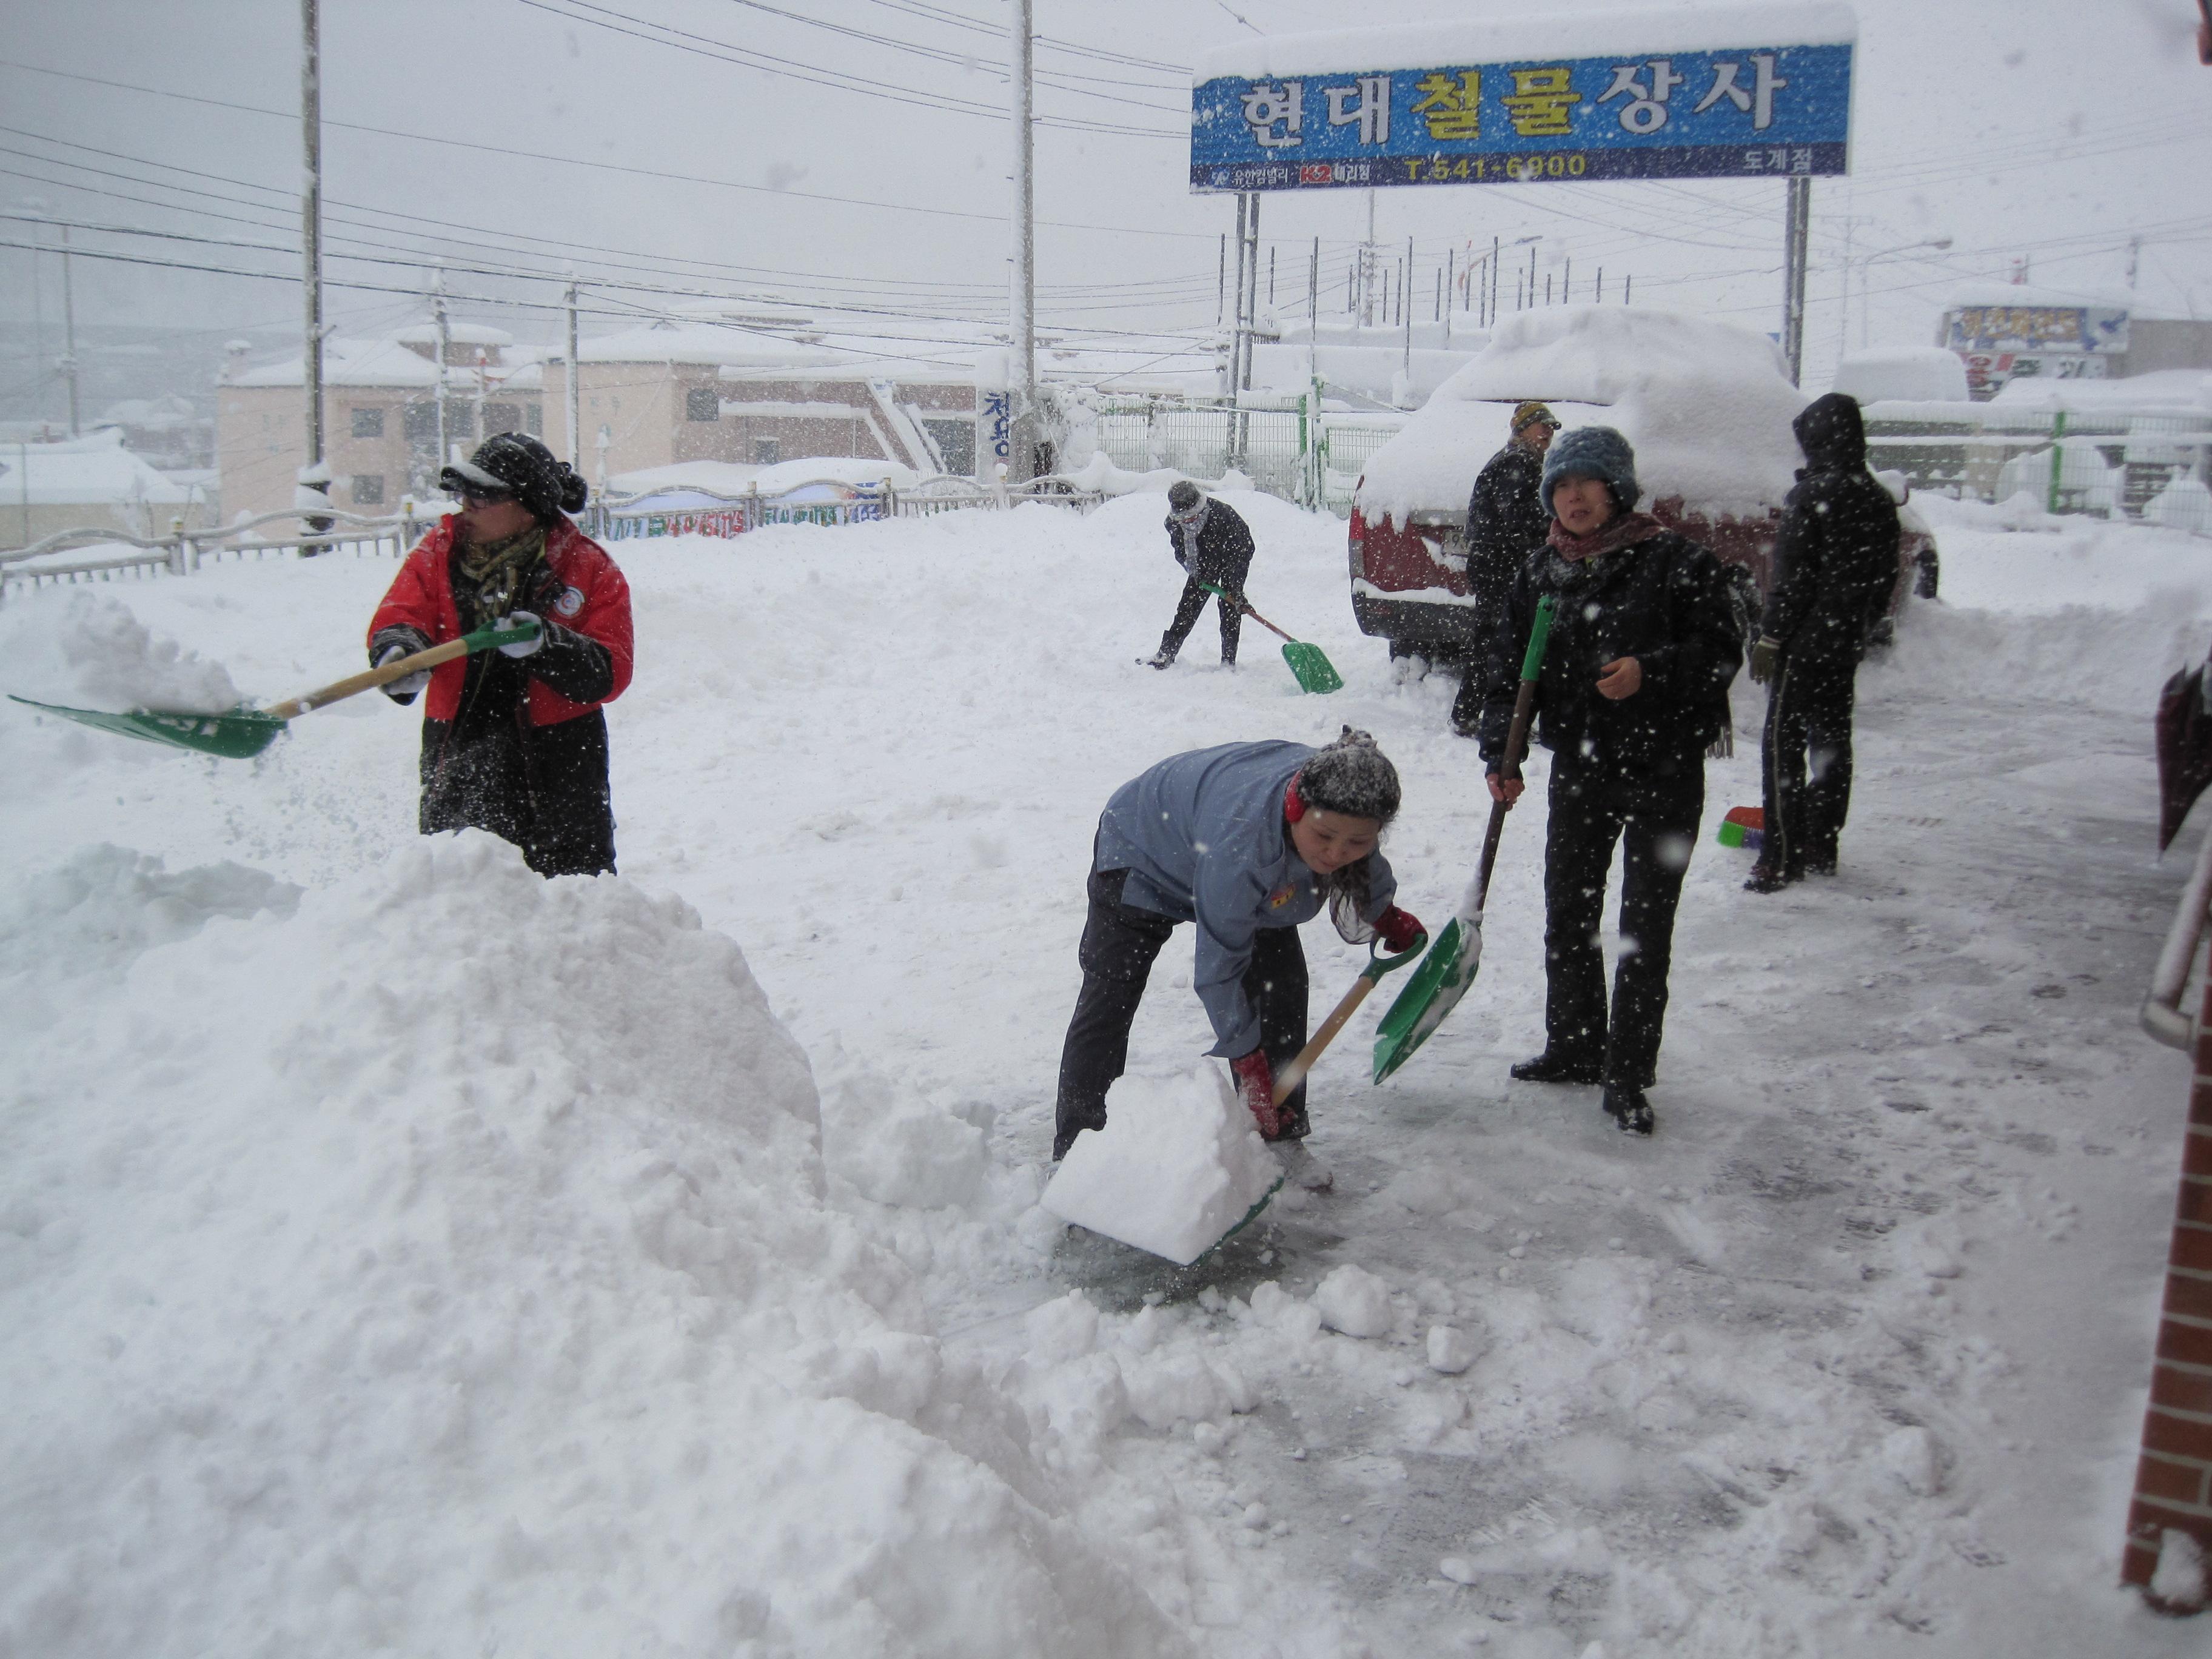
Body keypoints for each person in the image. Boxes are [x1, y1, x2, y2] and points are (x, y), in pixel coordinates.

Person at [1469, 426, 1742, 1136]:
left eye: (1586, 482)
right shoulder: (1542, 572)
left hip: (1664, 766)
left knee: (1644, 925)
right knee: (1569, 910)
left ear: (1616, 488)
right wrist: (1502, 755)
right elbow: (1506, 671)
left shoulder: (1676, 562)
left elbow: (1720, 651)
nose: (1574, 497)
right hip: (1582, 766)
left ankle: (1628, 1071)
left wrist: (1651, 671)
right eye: (1560, 485)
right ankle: (1576, 1045)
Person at [1053, 729, 1424, 1185]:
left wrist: (1382, 912)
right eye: (1325, 836)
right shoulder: (1242, 844)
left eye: (1357, 842)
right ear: (1295, 810)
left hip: (1224, 841)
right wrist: (1248, 1061)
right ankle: (1077, 1153)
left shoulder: (1348, 800)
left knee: (1281, 989)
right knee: (1110, 997)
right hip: (1144, 847)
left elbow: (1363, 863)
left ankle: (1278, 1135)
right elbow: (1219, 971)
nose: (1337, 854)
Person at [366, 432, 634, 877]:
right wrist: (399, 651)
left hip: (561, 756)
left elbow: (610, 671)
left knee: (572, 888)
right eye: (464, 493)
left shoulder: (588, 567)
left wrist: (547, 644)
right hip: (461, 744)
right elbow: (403, 613)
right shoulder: (438, 553)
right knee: (462, 880)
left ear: (528, 507)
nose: (467, 506)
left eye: (483, 496)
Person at [1744, 393, 1902, 893]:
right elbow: (1885, 580)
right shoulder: (1878, 498)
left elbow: (1792, 580)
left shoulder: (1810, 496)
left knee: (1781, 747)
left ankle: (1780, 857)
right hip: (1843, 644)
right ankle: (1821, 844)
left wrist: (1772, 637)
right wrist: (1855, 626)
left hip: (1800, 647)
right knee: (1832, 744)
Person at [1464, 400, 1561, 625]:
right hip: (1500, 561)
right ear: (1523, 428)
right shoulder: (1517, 460)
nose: (1549, 431)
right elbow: (1517, 514)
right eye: (1543, 424)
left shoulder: (1521, 457)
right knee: (1501, 628)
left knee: (1499, 626)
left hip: (1496, 560)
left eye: (1553, 427)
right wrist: (1556, 516)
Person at [1143, 480, 1256, 669]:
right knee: (1187, 606)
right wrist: (1195, 571)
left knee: (1229, 606)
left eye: (1191, 516)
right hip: (1202, 563)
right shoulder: (1173, 523)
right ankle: (1166, 654)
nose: (1187, 521)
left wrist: (1235, 589)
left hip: (1234, 554)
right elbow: (1180, 551)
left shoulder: (1222, 516)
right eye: (1183, 518)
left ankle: (1228, 661)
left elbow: (1243, 550)